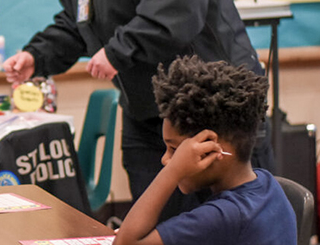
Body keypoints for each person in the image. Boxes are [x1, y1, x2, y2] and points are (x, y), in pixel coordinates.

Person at [3, 0, 272, 220]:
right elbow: (78, 22)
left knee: (233, 223)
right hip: (148, 115)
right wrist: (37, 55)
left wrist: (116, 51)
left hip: (214, 110)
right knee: (156, 224)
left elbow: (180, 7)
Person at [113, 56, 296, 245]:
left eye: (175, 150)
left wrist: (172, 172)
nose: (166, 160)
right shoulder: (267, 184)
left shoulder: (222, 216)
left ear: (212, 147)